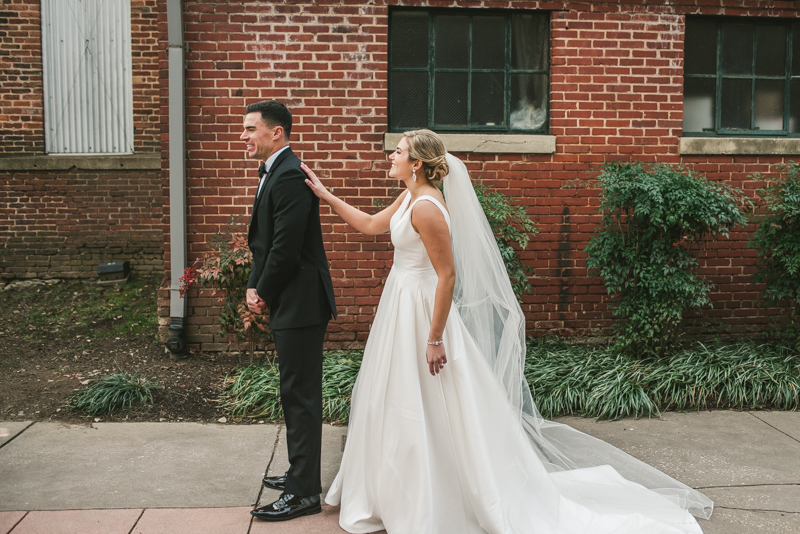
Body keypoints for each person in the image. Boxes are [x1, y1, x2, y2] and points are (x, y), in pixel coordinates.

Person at [301, 129, 713, 533]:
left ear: (418, 164)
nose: (391, 157)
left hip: (423, 311)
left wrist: (434, 338)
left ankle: (436, 498)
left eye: (399, 152)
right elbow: (372, 225)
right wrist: (326, 195)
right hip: (401, 303)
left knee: (430, 401)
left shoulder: (427, 207)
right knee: (397, 398)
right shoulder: (410, 195)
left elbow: (447, 277)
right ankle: (395, 493)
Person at [241, 100, 336, 522]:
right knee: (294, 393)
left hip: (301, 302)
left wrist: (263, 289)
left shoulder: (290, 176)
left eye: (250, 129)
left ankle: (303, 493)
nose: (243, 137)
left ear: (275, 132)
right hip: (289, 299)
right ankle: (301, 473)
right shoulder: (274, 171)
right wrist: (252, 284)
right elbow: (264, 242)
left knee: (300, 397)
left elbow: (287, 247)